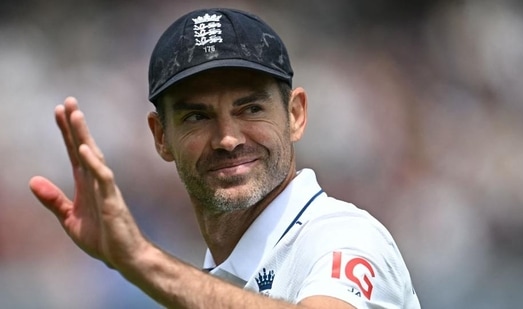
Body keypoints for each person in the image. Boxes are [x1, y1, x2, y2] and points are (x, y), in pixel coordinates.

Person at [29, 7, 421, 309]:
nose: (228, 139)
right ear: (161, 137)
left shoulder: (342, 236)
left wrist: (140, 258)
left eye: (250, 109)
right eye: (197, 116)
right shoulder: (214, 284)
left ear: (295, 115)